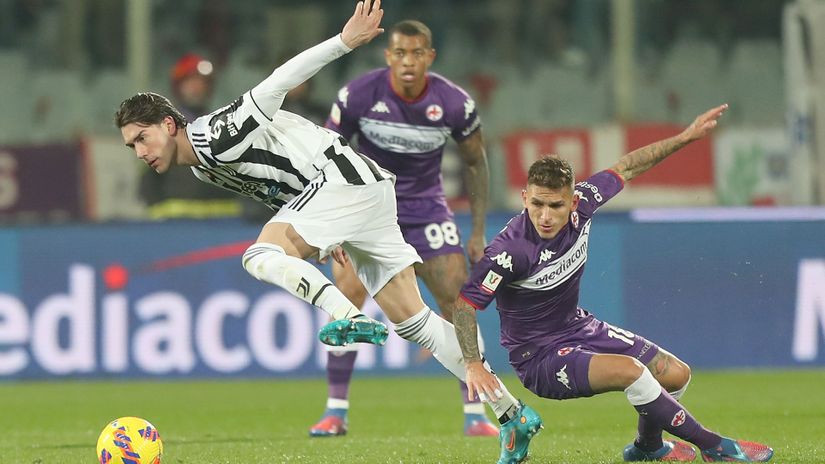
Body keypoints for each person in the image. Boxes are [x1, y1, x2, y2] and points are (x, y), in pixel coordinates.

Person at [114, 2, 541, 463]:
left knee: (258, 256)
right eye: (130, 145)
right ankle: (510, 411)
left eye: (142, 138)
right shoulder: (202, 169)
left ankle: (346, 314)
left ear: (169, 124)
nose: (139, 151)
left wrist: (344, 41)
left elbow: (277, 81)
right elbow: (274, 183)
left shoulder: (215, 134)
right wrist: (328, 231)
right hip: (363, 191)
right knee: (414, 323)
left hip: (341, 184)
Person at [450, 103, 774, 463]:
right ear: (525, 197)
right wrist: (473, 362)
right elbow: (464, 304)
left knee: (676, 375)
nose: (544, 216)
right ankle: (715, 446)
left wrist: (685, 137)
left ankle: (648, 448)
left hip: (579, 327)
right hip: (538, 358)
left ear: (573, 201)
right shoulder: (510, 251)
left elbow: (628, 166)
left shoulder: (585, 203)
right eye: (537, 204)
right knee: (631, 372)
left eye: (555, 206)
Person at [309, 19, 498, 438]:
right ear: (387, 56)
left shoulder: (454, 103)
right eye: (400, 53)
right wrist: (332, 224)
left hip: (426, 209)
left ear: (430, 57)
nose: (408, 62)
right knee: (347, 297)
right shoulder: (357, 95)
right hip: (368, 208)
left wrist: (478, 231)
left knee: (457, 300)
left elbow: (475, 162)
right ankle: (335, 411)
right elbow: (324, 156)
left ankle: (475, 413)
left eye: (416, 53)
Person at [139, 53, 241, 220]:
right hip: (176, 224)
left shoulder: (224, 125)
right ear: (178, 87)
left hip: (223, 223)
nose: (196, 88)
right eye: (190, 82)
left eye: (202, 83)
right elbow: (148, 183)